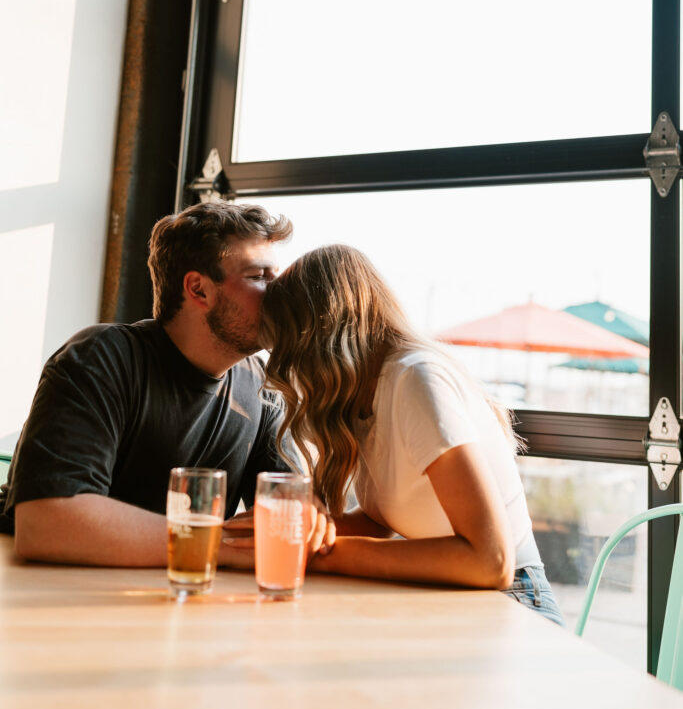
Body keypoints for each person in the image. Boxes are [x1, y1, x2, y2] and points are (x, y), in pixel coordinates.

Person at [0, 200, 333, 565]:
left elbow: (294, 516)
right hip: (46, 596)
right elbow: (44, 524)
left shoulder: (262, 388)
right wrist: (217, 543)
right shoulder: (101, 358)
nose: (278, 294)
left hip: (172, 596)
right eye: (259, 277)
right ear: (198, 289)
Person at [257, 243, 564, 625]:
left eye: (290, 347)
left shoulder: (416, 379)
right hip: (454, 601)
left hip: (512, 602)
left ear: (320, 336)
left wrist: (320, 554)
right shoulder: (366, 395)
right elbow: (379, 521)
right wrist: (286, 531)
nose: (289, 367)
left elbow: (492, 561)